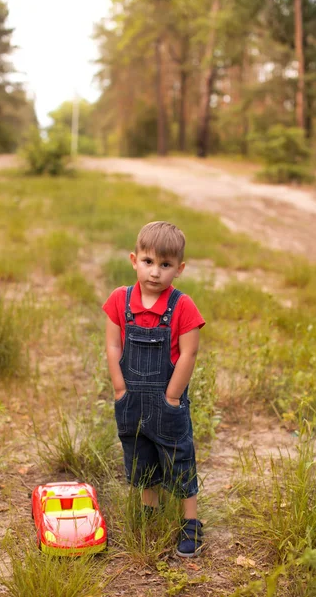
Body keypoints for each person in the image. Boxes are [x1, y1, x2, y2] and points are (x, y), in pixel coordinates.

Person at [102, 221, 205, 557]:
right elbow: (113, 346)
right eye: (148, 262)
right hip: (130, 398)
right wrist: (119, 387)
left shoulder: (182, 306)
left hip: (166, 399)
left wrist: (173, 396)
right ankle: (151, 509)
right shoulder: (121, 300)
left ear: (180, 268)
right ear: (134, 260)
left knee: (178, 456)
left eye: (166, 265)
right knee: (140, 454)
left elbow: (189, 352)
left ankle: (190, 521)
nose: (156, 273)